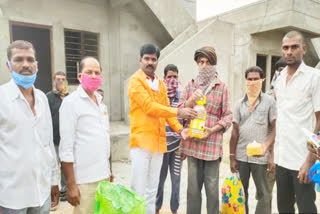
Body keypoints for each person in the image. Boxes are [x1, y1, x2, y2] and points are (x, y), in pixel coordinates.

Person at [128, 43, 197, 214]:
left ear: (157, 61)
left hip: (159, 145)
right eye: (147, 59)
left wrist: (180, 130)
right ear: (140, 60)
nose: (150, 62)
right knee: (139, 190)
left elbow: (167, 114)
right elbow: (149, 107)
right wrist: (179, 110)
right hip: (142, 144)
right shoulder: (135, 81)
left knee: (153, 189)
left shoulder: (160, 83)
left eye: (153, 59)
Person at [0, 40, 59, 214]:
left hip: (42, 194)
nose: (26, 64)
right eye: (19, 59)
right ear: (9, 65)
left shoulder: (42, 98)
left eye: (30, 59)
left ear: (37, 65)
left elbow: (48, 144)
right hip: (11, 197)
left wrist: (54, 180)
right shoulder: (2, 98)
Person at [178, 46, 232, 214]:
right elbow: (178, 111)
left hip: (212, 147)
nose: (204, 66)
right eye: (200, 62)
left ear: (214, 65)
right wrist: (190, 101)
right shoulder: (190, 85)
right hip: (193, 146)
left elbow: (228, 116)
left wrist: (212, 130)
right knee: (193, 191)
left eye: (208, 62)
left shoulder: (221, 87)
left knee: (212, 190)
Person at [274, 30, 320, 213]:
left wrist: (310, 160)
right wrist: (273, 155)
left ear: (304, 49)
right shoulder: (279, 78)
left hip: (302, 159)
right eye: (285, 48)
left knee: (306, 208)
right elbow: (282, 118)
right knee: (284, 208)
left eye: (294, 47)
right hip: (282, 159)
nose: (289, 52)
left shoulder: (314, 77)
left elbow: (319, 121)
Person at [59, 57, 111, 214]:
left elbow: (104, 139)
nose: (94, 76)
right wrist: (71, 185)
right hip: (84, 181)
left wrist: (109, 171)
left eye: (97, 72)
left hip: (103, 177)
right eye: (89, 72)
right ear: (80, 76)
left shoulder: (101, 104)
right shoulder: (70, 103)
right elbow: (66, 147)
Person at [229, 66, 276, 214]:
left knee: (264, 194)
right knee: (241, 193)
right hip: (242, 156)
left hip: (261, 158)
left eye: (256, 79)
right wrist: (231, 157)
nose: (253, 82)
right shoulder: (238, 103)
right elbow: (234, 132)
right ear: (246, 81)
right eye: (250, 79)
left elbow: (275, 129)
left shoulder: (269, 101)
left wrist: (272, 156)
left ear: (262, 80)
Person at [156, 64, 183, 214]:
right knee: (159, 180)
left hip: (177, 148)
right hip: (161, 148)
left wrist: (184, 144)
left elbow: (185, 123)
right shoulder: (160, 97)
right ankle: (157, 208)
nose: (172, 79)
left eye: (175, 77)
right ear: (164, 78)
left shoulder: (182, 97)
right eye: (169, 77)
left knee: (176, 181)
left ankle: (174, 210)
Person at [46, 71, 69, 206]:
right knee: (52, 166)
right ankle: (52, 192)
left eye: (63, 79)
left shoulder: (69, 98)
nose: (60, 81)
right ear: (54, 81)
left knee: (65, 166)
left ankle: (64, 192)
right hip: (53, 139)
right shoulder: (48, 97)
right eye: (58, 79)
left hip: (66, 140)